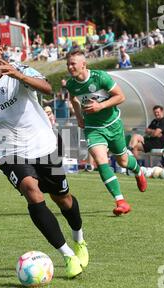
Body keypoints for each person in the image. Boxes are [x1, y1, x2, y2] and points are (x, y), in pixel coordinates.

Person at [0, 29, 88, 279]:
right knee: (31, 190)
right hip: (9, 151)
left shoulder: (21, 71)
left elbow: (48, 88)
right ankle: (67, 255)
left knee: (63, 199)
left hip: (43, 145)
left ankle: (79, 240)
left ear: (0, 51)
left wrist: (19, 76)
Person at [65, 49, 147, 215]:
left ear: (83, 64)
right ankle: (121, 201)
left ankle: (138, 171)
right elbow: (73, 98)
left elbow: (120, 96)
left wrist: (100, 106)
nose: (70, 67)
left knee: (123, 161)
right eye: (68, 64)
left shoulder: (100, 77)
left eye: (73, 64)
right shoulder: (71, 84)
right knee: (101, 160)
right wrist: (79, 117)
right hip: (93, 129)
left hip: (113, 125)